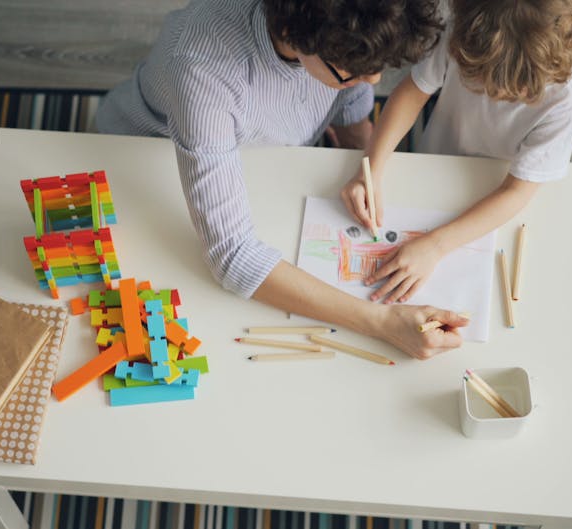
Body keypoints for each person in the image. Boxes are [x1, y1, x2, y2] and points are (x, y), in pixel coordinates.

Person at [97, 0, 468, 359]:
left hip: (271, 154)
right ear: (292, 32)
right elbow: (233, 256)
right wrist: (382, 322)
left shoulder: (338, 37)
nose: (372, 79)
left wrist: (365, 160)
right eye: (352, 70)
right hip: (152, 158)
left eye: (377, 68)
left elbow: (353, 88)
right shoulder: (202, 67)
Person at [341, 0, 572, 304]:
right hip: (438, 161)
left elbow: (516, 191)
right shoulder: (460, 29)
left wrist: (436, 246)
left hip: (494, 199)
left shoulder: (566, 106)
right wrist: (371, 168)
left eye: (512, 92)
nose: (496, 95)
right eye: (482, 79)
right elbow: (413, 92)